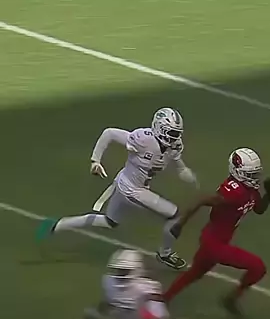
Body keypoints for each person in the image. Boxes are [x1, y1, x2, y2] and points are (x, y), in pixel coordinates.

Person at [36, 108, 198, 270]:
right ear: (159, 128)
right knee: (174, 215)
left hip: (124, 183)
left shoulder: (173, 145)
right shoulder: (143, 139)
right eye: (171, 133)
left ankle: (57, 225)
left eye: (177, 133)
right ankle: (165, 253)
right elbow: (109, 133)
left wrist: (183, 170)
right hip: (133, 191)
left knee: (109, 221)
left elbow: (176, 159)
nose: (174, 137)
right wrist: (95, 161)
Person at [163, 147, 270, 319]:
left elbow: (259, 209)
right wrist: (180, 224)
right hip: (214, 244)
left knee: (194, 273)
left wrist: (268, 195)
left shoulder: (249, 190)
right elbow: (201, 200)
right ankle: (231, 299)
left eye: (255, 173)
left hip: (215, 240)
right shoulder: (235, 191)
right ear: (238, 172)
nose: (255, 178)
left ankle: (163, 299)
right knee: (258, 267)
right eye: (251, 174)